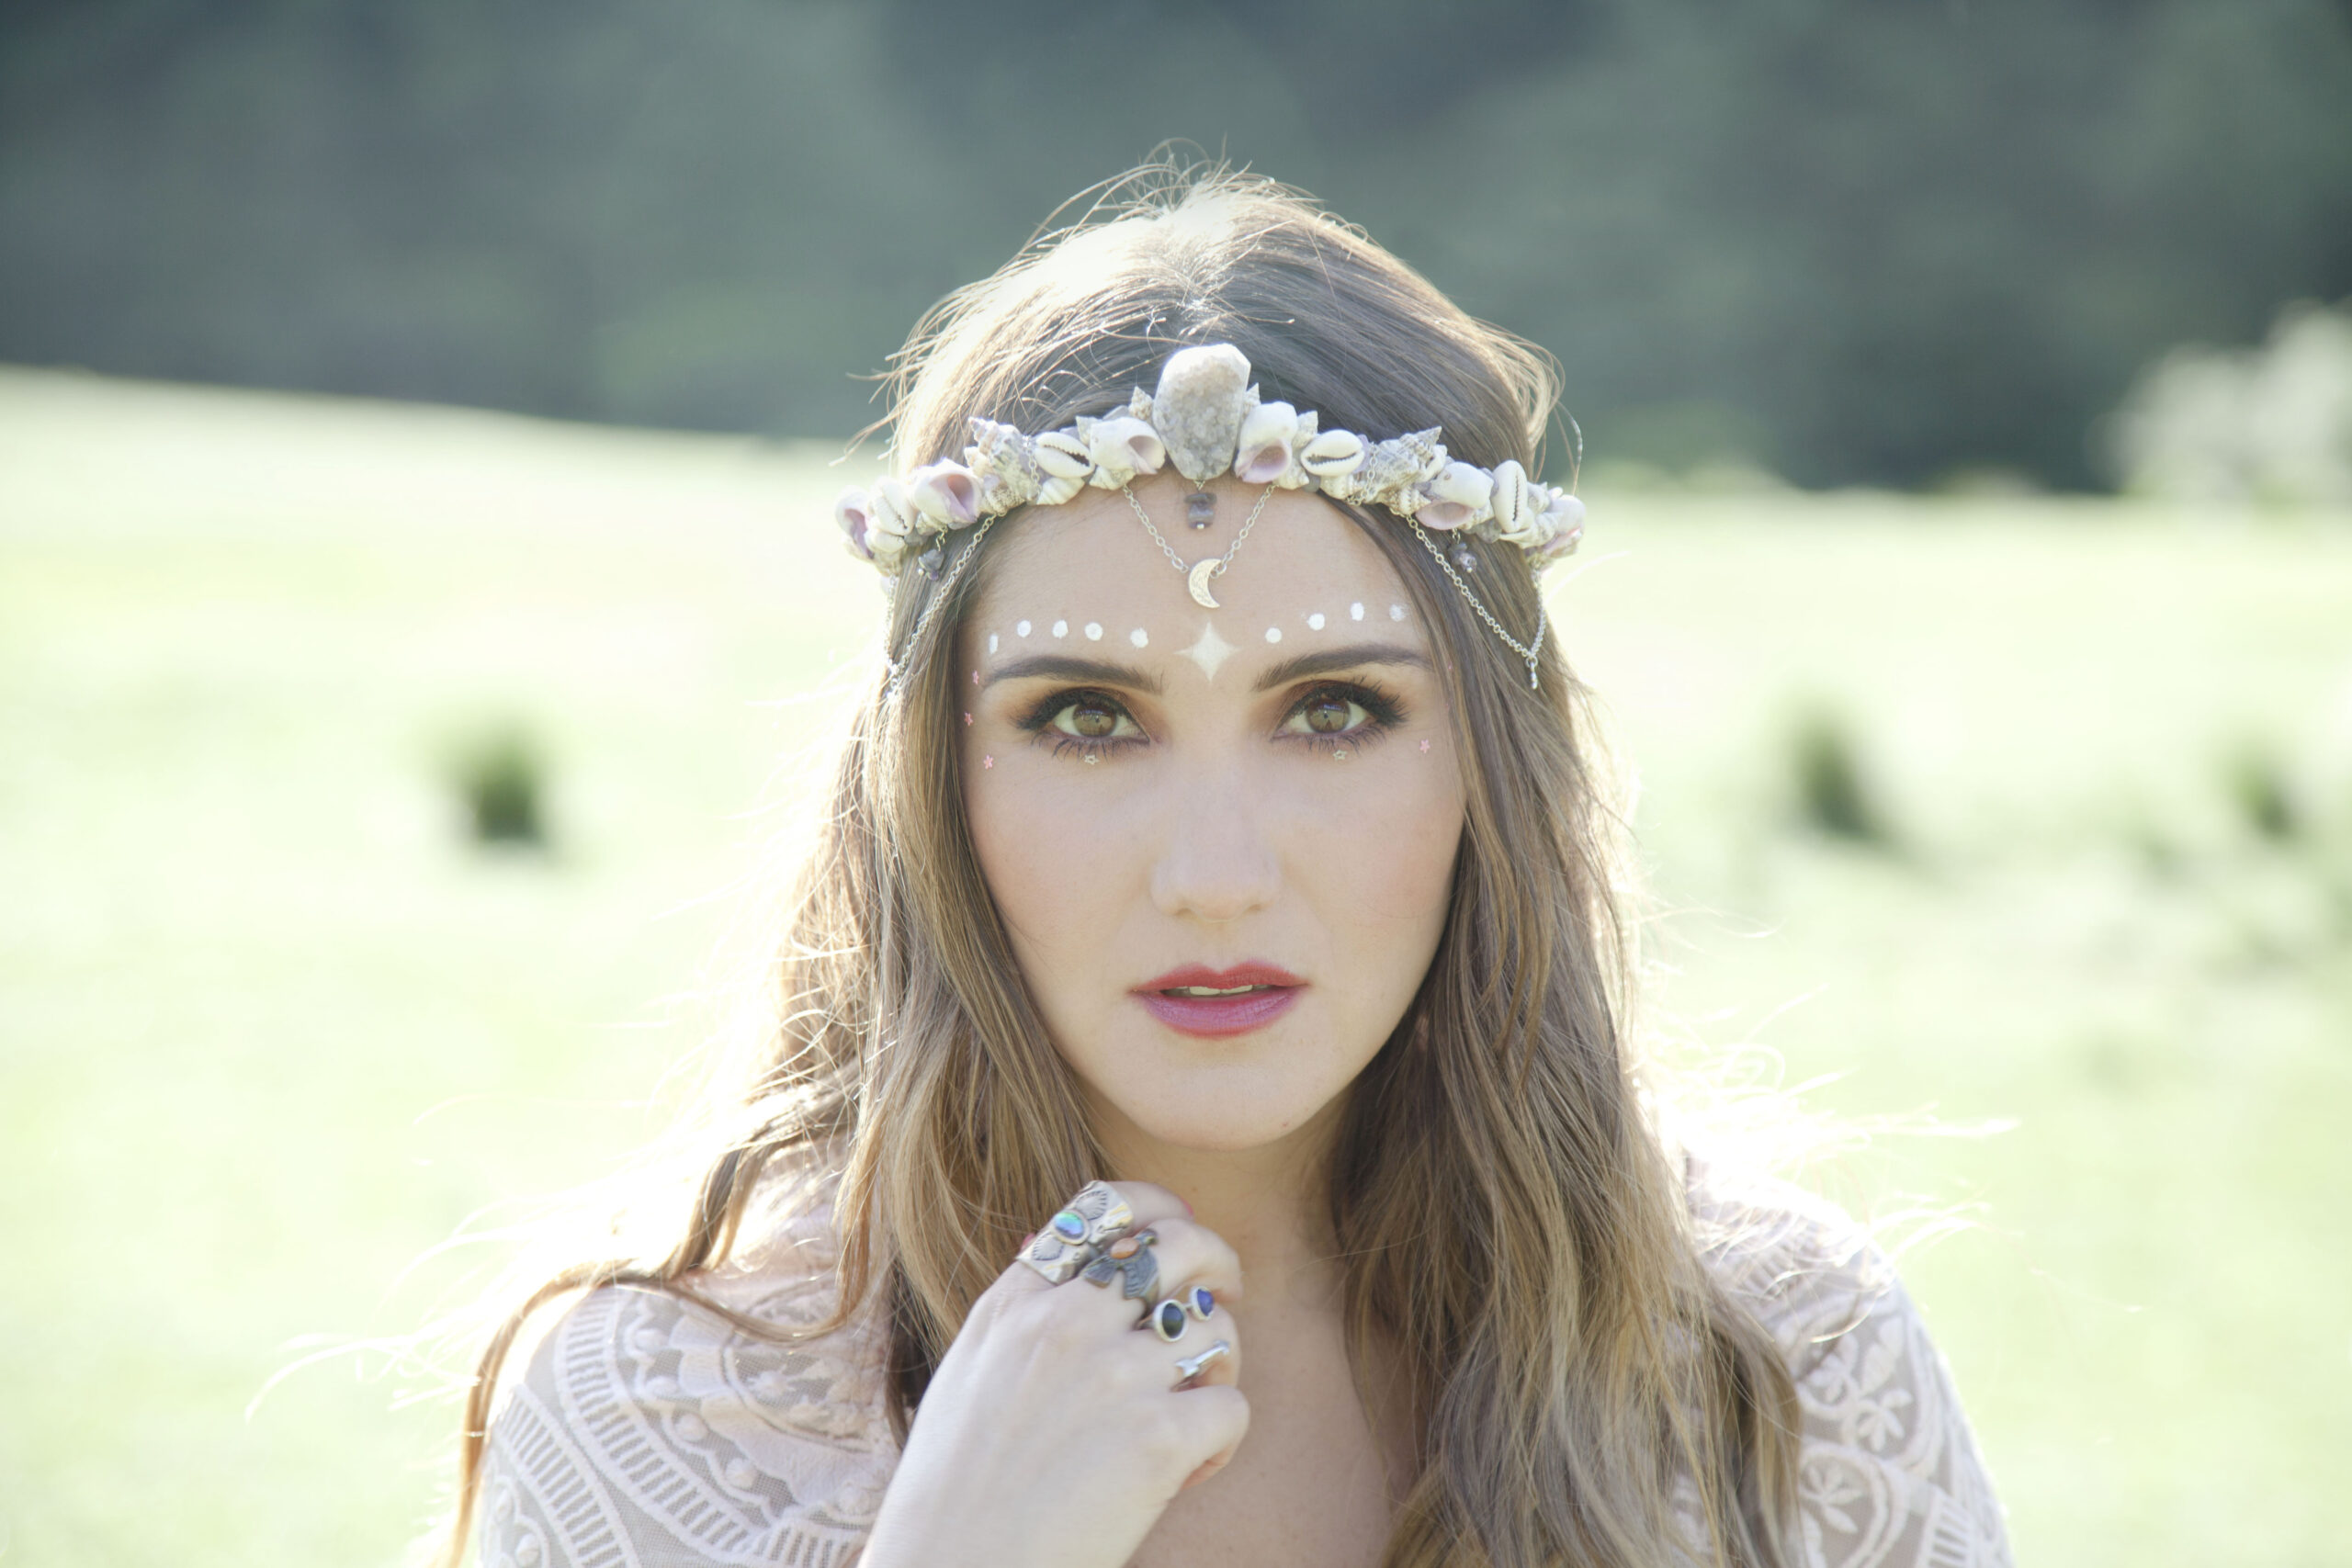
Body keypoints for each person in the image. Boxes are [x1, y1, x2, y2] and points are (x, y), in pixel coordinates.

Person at [443, 168, 2011, 1568]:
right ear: (928, 780)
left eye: (1335, 713)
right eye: (1085, 718)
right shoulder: (666, 1414)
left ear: (1495, 764)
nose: (1213, 878)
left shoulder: (1784, 1364)